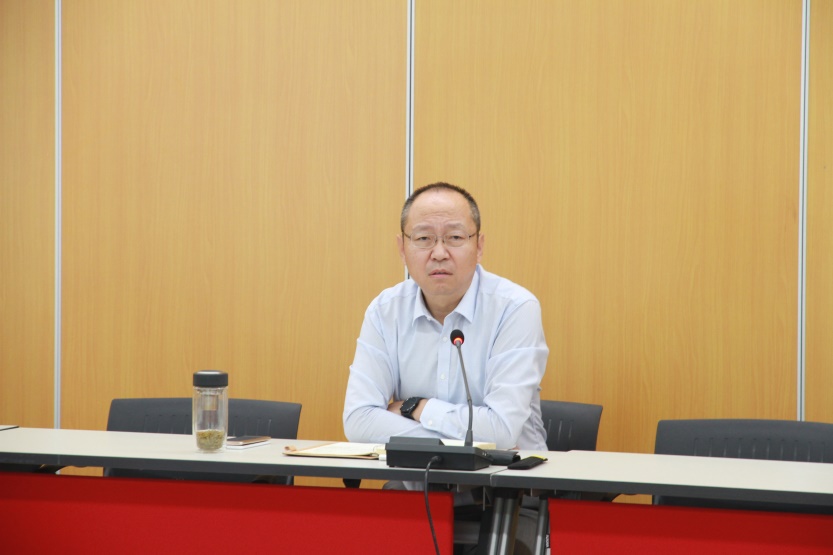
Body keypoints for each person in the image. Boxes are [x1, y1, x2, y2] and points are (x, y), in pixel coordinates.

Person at [343, 181, 549, 456]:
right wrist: (463, 444)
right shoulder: (385, 311)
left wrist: (416, 407)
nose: (439, 253)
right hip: (417, 477)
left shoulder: (514, 308)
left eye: (454, 237)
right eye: (423, 239)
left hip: (507, 478)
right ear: (402, 249)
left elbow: (501, 431)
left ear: (479, 246)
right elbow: (358, 421)